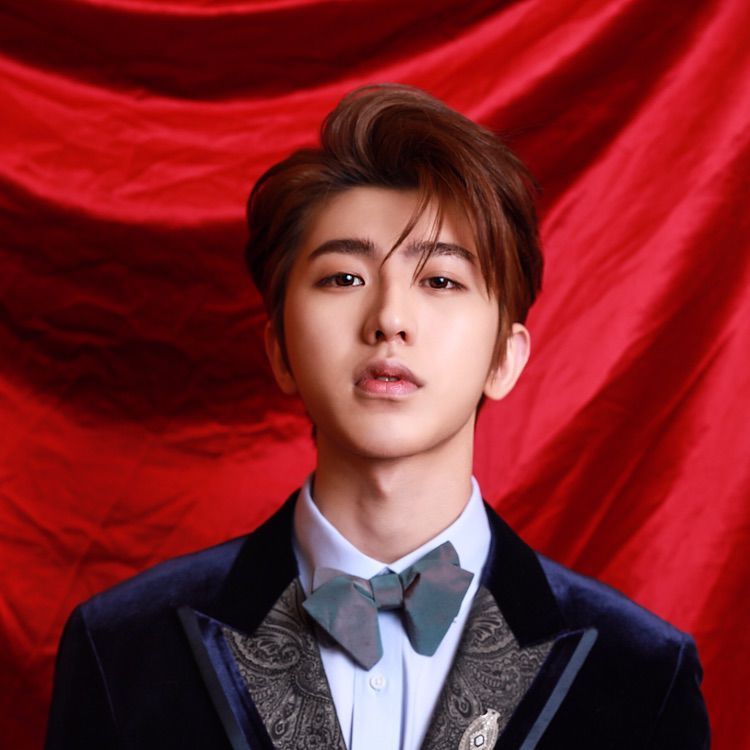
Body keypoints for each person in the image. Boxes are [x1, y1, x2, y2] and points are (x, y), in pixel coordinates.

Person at [45, 84, 710, 750]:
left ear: (504, 359)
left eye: (441, 280)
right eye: (344, 278)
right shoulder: (122, 648)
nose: (389, 319)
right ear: (280, 350)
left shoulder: (642, 671)